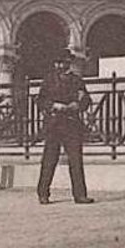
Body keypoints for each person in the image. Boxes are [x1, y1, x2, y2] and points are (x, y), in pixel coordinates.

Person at [36, 50, 94, 205]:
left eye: (63, 62)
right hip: (54, 124)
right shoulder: (49, 80)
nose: (59, 65)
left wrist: (79, 105)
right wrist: (54, 105)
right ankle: (43, 193)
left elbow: (86, 99)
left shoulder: (77, 81)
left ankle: (80, 195)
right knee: (49, 159)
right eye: (57, 62)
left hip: (72, 123)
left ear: (69, 63)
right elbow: (41, 101)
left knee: (76, 160)